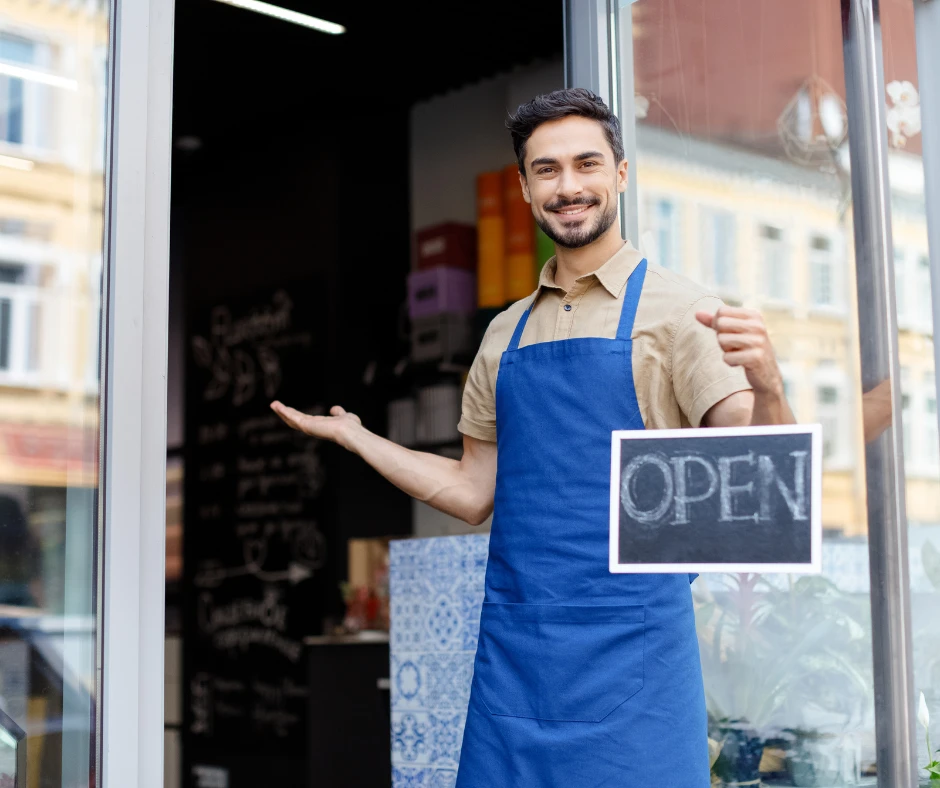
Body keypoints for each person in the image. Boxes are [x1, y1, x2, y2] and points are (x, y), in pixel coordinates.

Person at [272, 88, 794, 786]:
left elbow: (761, 483)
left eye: (586, 164)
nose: (568, 186)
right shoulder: (504, 333)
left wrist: (768, 382)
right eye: (546, 170)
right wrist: (359, 439)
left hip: (635, 662)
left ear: (620, 174)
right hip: (519, 658)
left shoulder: (681, 311)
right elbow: (470, 490)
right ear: (524, 186)